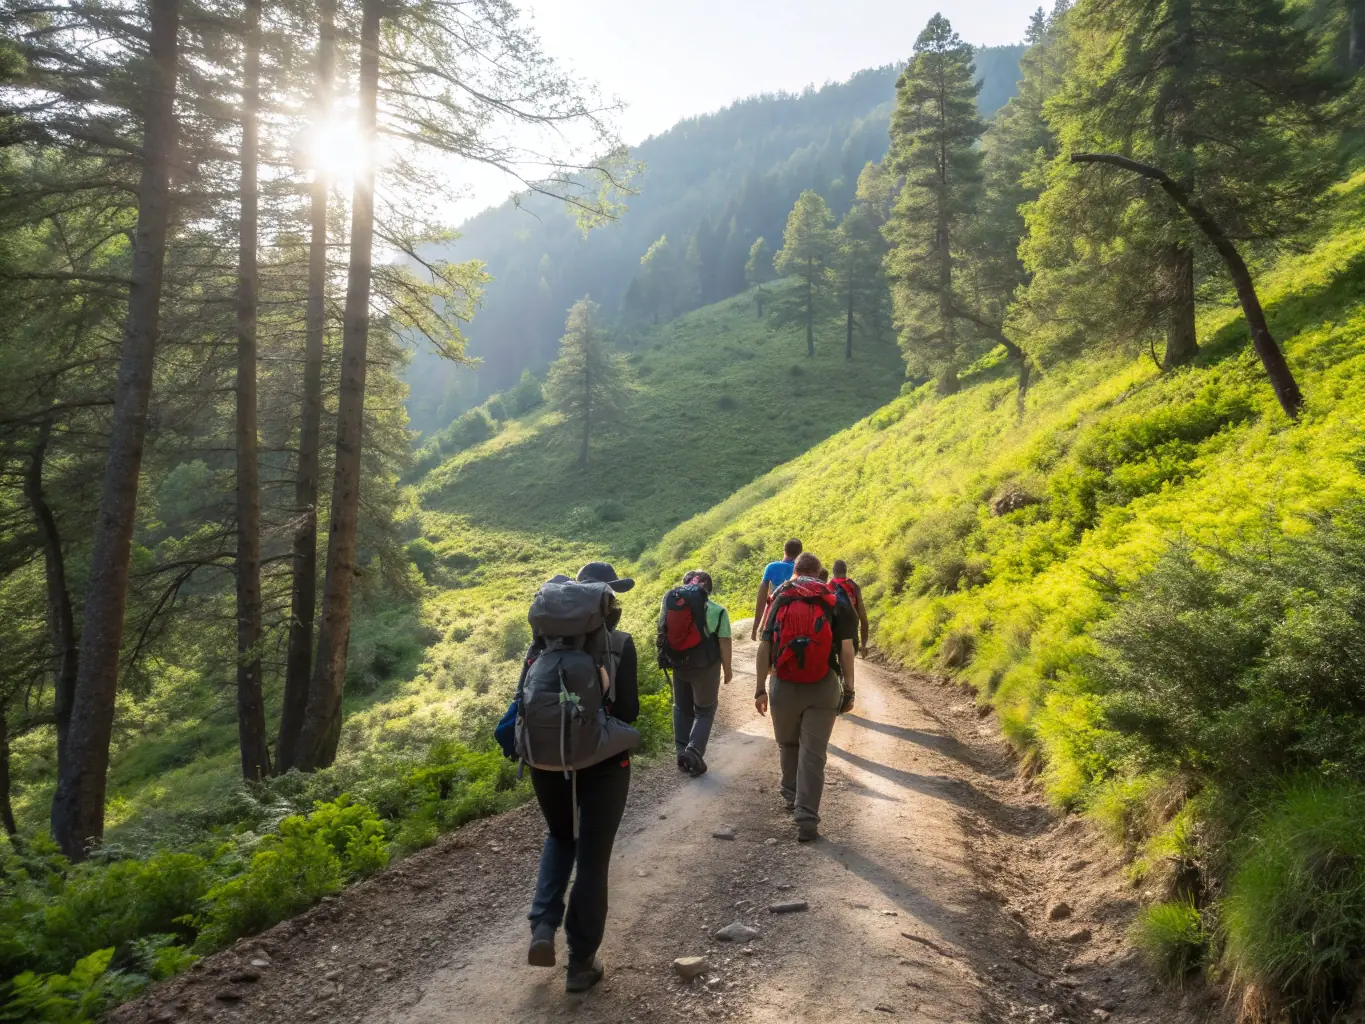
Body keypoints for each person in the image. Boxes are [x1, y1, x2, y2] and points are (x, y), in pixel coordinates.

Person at [525, 561, 638, 993]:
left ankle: (542, 926)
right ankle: (580, 963)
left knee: (560, 837)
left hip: (545, 759)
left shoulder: (540, 645)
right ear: (607, 605)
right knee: (592, 857)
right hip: (603, 765)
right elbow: (627, 712)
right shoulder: (621, 645)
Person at [754, 552, 856, 843]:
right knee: (814, 755)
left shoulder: (781, 596)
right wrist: (849, 690)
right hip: (823, 684)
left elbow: (764, 648)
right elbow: (846, 651)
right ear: (819, 572)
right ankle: (806, 818)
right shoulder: (834, 598)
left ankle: (790, 794)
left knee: (788, 743)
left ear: (795, 572)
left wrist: (760, 688)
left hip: (784, 684)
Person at [658, 569, 732, 777]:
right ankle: (693, 752)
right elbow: (725, 642)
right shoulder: (718, 611)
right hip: (705, 667)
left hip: (679, 664)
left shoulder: (671, 605)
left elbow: (663, 633)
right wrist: (727, 669)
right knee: (705, 710)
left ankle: (681, 754)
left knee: (681, 708)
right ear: (709, 589)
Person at [751, 537, 802, 641]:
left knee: (766, 645)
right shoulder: (800, 570)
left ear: (784, 551)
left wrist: (755, 628)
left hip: (773, 613)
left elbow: (761, 599)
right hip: (794, 616)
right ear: (799, 553)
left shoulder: (772, 567)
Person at [830, 559, 870, 654]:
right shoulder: (854, 586)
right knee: (848, 665)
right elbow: (863, 617)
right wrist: (864, 645)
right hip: (851, 632)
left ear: (833, 571)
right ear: (845, 570)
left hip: (832, 633)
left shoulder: (828, 586)